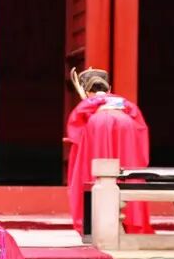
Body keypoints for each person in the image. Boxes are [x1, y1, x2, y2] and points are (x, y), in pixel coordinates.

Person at [65, 68, 152, 234]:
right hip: (126, 124)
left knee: (93, 173)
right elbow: (141, 134)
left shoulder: (86, 107)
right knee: (127, 169)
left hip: (97, 124)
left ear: (86, 91)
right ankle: (130, 223)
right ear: (109, 88)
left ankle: (94, 225)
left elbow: (76, 134)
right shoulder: (126, 105)